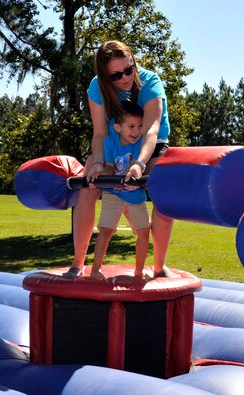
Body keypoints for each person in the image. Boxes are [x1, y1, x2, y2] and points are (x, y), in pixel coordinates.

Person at [65, 40, 176, 278]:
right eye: (116, 75)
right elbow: (99, 133)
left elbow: (151, 131)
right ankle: (77, 263)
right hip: (115, 143)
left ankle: (159, 266)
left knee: (163, 194)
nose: (125, 77)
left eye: (129, 69)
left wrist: (139, 163)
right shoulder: (96, 88)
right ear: (105, 77)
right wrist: (96, 163)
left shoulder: (150, 82)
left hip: (151, 144)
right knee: (87, 188)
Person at [89, 101, 150, 280]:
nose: (136, 131)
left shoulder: (141, 144)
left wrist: (135, 170)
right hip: (113, 193)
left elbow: (137, 166)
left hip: (135, 194)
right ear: (117, 127)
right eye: (131, 126)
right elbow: (109, 167)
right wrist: (100, 175)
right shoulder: (109, 142)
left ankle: (139, 271)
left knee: (144, 231)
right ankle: (95, 269)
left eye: (140, 126)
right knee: (106, 230)